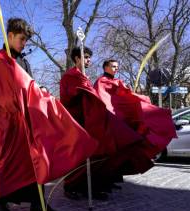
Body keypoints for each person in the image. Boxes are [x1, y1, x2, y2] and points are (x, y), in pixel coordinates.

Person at [0, 18, 96, 211]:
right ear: (10, 35)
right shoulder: (0, 60)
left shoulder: (23, 61)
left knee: (34, 161)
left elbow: (29, 87)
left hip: (27, 120)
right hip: (9, 121)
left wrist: (39, 92)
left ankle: (38, 205)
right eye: (21, 39)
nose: (24, 43)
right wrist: (22, 100)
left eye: (26, 40)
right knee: (7, 161)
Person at [60, 48, 147, 200]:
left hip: (90, 120)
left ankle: (88, 186)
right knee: (81, 156)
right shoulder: (71, 76)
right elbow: (73, 97)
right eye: (85, 57)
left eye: (89, 57)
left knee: (95, 154)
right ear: (76, 58)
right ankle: (71, 186)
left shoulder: (82, 76)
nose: (89, 60)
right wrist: (83, 91)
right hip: (78, 121)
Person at [94, 59, 177, 165]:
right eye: (113, 66)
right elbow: (104, 99)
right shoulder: (101, 81)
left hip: (121, 117)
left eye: (117, 66)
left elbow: (122, 96)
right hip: (113, 118)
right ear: (106, 68)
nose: (116, 68)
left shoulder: (117, 81)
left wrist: (132, 95)